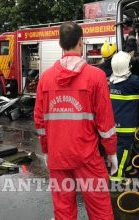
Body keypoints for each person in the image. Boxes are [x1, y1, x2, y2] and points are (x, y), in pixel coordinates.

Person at [34, 22, 118, 220]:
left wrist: (46, 150)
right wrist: (111, 151)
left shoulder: (45, 79)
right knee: (100, 211)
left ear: (60, 44)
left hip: (58, 156)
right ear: (81, 42)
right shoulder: (96, 77)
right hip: (87, 157)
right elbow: (105, 122)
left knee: (63, 211)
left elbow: (40, 121)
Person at [108, 51, 139, 182]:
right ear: (128, 66)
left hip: (114, 124)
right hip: (126, 126)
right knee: (123, 150)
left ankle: (128, 167)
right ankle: (117, 176)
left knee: (121, 148)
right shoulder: (131, 81)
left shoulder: (112, 81)